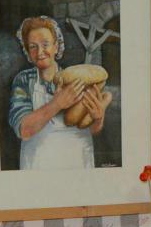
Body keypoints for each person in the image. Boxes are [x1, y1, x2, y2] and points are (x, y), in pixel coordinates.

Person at [6, 16, 104, 171]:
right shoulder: (24, 80)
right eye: (33, 46)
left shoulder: (77, 78)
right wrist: (58, 103)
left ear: (56, 46)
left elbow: (88, 129)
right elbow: (24, 130)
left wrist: (98, 120)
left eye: (45, 44)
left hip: (77, 162)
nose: (40, 52)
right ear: (27, 52)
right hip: (39, 165)